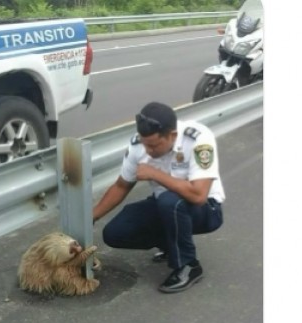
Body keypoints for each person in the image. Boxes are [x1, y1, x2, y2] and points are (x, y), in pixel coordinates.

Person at [92, 102, 224, 293]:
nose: (148, 151)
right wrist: (92, 216)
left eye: (154, 145)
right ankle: (170, 245)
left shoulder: (198, 139)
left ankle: (189, 265)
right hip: (165, 206)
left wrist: (155, 174)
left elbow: (199, 195)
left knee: (171, 201)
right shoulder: (139, 145)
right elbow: (121, 186)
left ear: (172, 136)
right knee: (114, 233)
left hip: (206, 210)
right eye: (145, 144)